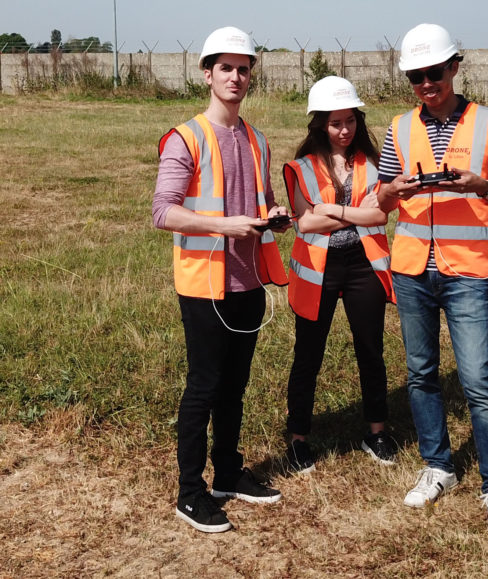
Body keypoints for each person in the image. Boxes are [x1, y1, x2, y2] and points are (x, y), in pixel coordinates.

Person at [375, 23, 488, 538]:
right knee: (421, 374)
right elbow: (382, 202)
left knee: (479, 380)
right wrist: (396, 188)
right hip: (412, 267)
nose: (425, 84)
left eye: (433, 73)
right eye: (415, 76)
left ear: (455, 67)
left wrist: (481, 185)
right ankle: (438, 465)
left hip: (465, 271)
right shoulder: (398, 127)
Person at [152, 26, 290, 534]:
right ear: (207, 74)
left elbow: (258, 199)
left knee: (235, 387)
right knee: (204, 387)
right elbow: (162, 212)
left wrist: (270, 214)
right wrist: (223, 225)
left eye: (244, 68)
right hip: (204, 285)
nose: (236, 76)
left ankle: (228, 473)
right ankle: (191, 493)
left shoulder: (257, 140)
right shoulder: (185, 137)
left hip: (248, 281)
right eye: (226, 67)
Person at [281, 76, 398, 473]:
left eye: (350, 121)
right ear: (319, 124)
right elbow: (304, 224)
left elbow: (380, 214)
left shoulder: (374, 163)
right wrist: (350, 214)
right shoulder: (302, 167)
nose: (344, 130)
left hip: (364, 266)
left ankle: (377, 432)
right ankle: (298, 439)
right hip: (319, 270)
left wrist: (333, 211)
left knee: (371, 351)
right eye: (335, 123)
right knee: (308, 356)